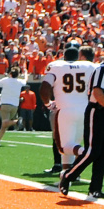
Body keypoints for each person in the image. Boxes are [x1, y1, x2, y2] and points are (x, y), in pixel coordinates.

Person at [60, 40, 104, 199]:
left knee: (103, 152)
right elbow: (97, 92)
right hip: (97, 112)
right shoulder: (102, 69)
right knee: (93, 151)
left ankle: (95, 188)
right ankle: (68, 176)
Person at [40, 43, 97, 182]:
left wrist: (48, 103)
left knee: (64, 146)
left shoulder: (57, 66)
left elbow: (44, 88)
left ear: (63, 56)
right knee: (73, 143)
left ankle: (90, 153)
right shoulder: (89, 66)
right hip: (84, 110)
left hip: (65, 109)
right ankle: (68, 174)